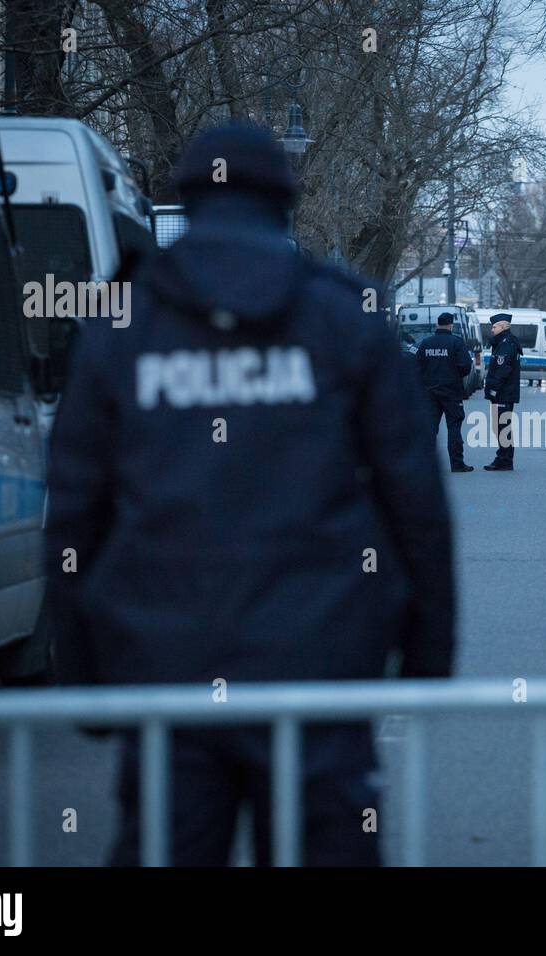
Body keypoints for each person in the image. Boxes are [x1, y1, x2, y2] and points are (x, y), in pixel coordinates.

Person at [44, 124, 456, 866]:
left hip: (165, 666)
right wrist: (427, 656)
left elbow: (75, 510)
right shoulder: (343, 316)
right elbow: (412, 495)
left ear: (187, 200)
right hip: (320, 668)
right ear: (286, 204)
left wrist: (82, 673)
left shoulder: (123, 324)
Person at [415, 312, 474, 472]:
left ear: (437, 325)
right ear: (451, 325)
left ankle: (426, 465)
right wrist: (453, 375)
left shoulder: (426, 343)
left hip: (429, 392)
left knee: (429, 429)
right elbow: (466, 366)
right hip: (451, 391)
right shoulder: (456, 342)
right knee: (454, 427)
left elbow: (416, 367)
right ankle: (457, 464)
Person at [483, 312, 522, 471]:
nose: (492, 330)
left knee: (502, 427)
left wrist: (493, 390)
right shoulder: (505, 342)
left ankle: (504, 460)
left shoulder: (506, 344)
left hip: (503, 393)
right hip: (505, 392)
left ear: (503, 327)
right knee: (501, 426)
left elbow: (502, 369)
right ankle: (503, 458)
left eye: (494, 326)